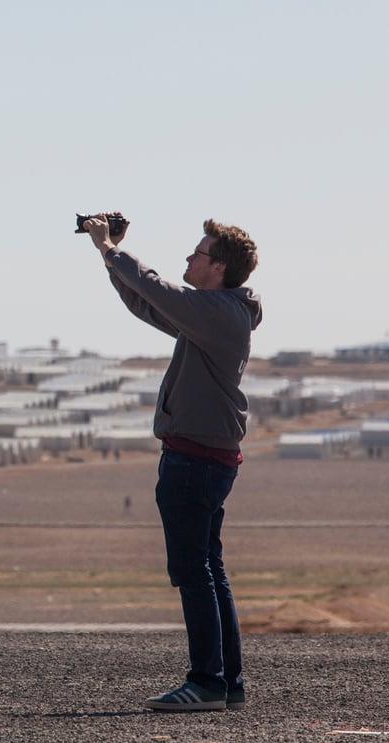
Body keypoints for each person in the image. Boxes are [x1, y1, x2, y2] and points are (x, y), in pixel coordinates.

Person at [80, 212, 261, 713]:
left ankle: (207, 681)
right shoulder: (215, 313)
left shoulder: (218, 312)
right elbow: (147, 302)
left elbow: (158, 288)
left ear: (218, 267)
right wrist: (108, 254)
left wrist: (112, 249)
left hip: (195, 462)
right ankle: (227, 683)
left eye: (197, 253)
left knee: (193, 571)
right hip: (205, 458)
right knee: (209, 568)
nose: (188, 258)